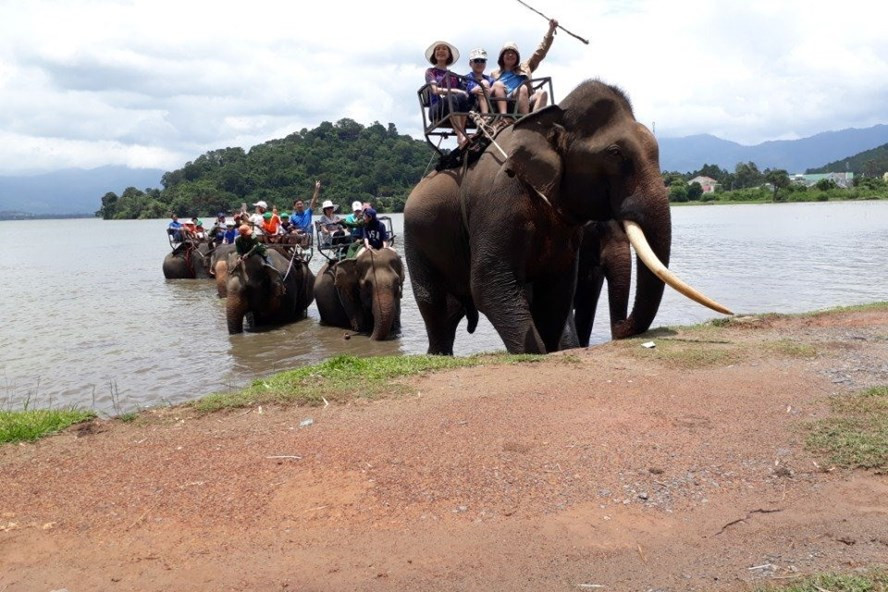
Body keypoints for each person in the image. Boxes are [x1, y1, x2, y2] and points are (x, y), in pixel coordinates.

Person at [491, 19, 558, 115]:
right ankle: (525, 120)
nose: (510, 55)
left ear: (517, 57)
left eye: (513, 53)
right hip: (507, 102)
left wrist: (551, 30)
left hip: (525, 98)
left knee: (542, 93)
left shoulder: (525, 67)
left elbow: (540, 52)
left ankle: (534, 121)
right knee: (522, 88)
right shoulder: (494, 74)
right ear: (502, 57)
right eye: (507, 53)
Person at [425, 40, 471, 147]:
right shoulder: (430, 72)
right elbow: (435, 90)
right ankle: (460, 136)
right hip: (437, 109)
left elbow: (463, 94)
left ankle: (461, 130)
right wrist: (454, 90)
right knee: (451, 97)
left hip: (453, 106)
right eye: (438, 49)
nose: (441, 51)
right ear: (434, 54)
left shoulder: (454, 75)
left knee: (462, 97)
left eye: (444, 49)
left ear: (449, 54)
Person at [464, 48, 494, 115]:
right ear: (470, 63)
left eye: (482, 61)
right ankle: (485, 116)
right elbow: (462, 95)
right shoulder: (465, 79)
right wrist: (472, 91)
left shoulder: (491, 80)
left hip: (492, 108)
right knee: (484, 83)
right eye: (476, 60)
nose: (479, 63)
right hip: (472, 109)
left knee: (498, 84)